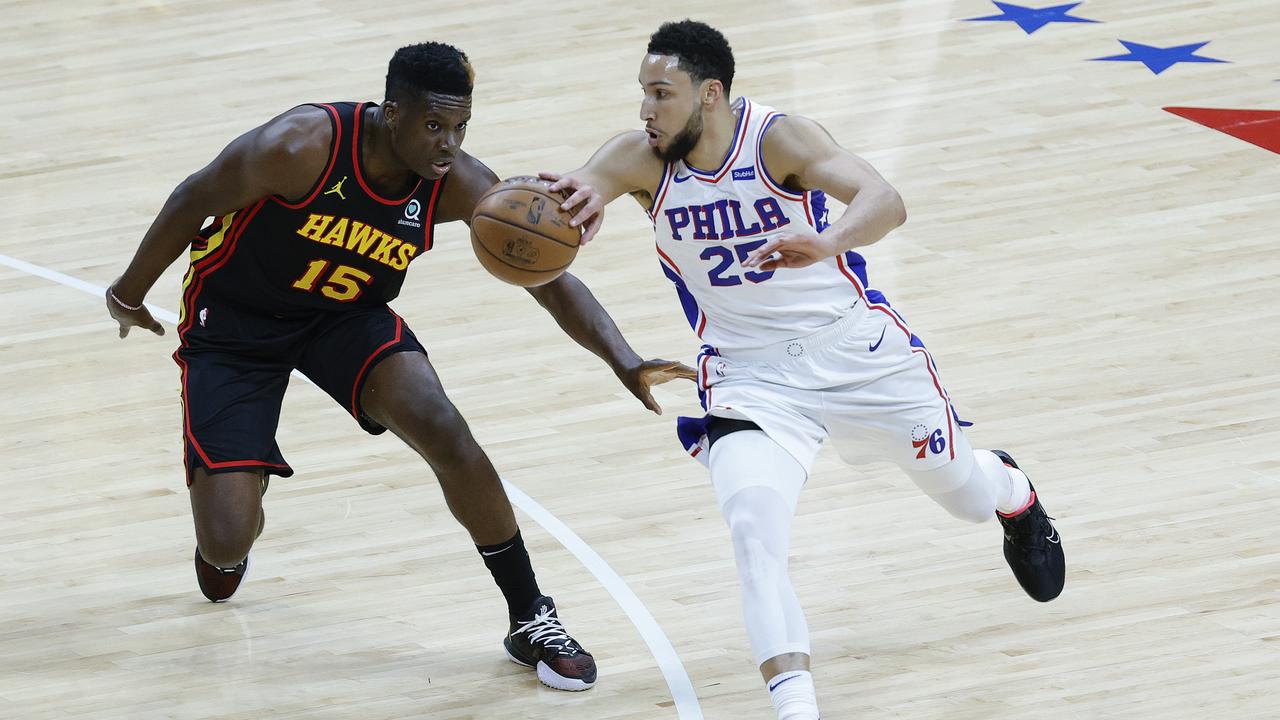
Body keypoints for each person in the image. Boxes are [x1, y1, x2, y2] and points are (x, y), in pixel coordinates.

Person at [104, 41, 693, 693]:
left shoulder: (458, 182)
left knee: (442, 424)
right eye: (433, 126)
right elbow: (192, 198)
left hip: (343, 316)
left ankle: (531, 613)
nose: (449, 143)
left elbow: (550, 279)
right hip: (237, 322)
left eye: (461, 127)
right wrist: (127, 294)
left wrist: (623, 358)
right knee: (224, 544)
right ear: (391, 114)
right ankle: (239, 486)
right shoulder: (298, 146)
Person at [545, 20, 1066, 718]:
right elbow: (581, 184)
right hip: (748, 377)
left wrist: (831, 239)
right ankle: (796, 708)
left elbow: (886, 200)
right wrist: (561, 203)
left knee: (964, 496)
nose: (645, 109)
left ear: (710, 94)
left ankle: (1013, 490)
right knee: (754, 532)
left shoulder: (779, 141)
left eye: (660, 94)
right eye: (642, 92)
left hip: (858, 357)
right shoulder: (642, 159)